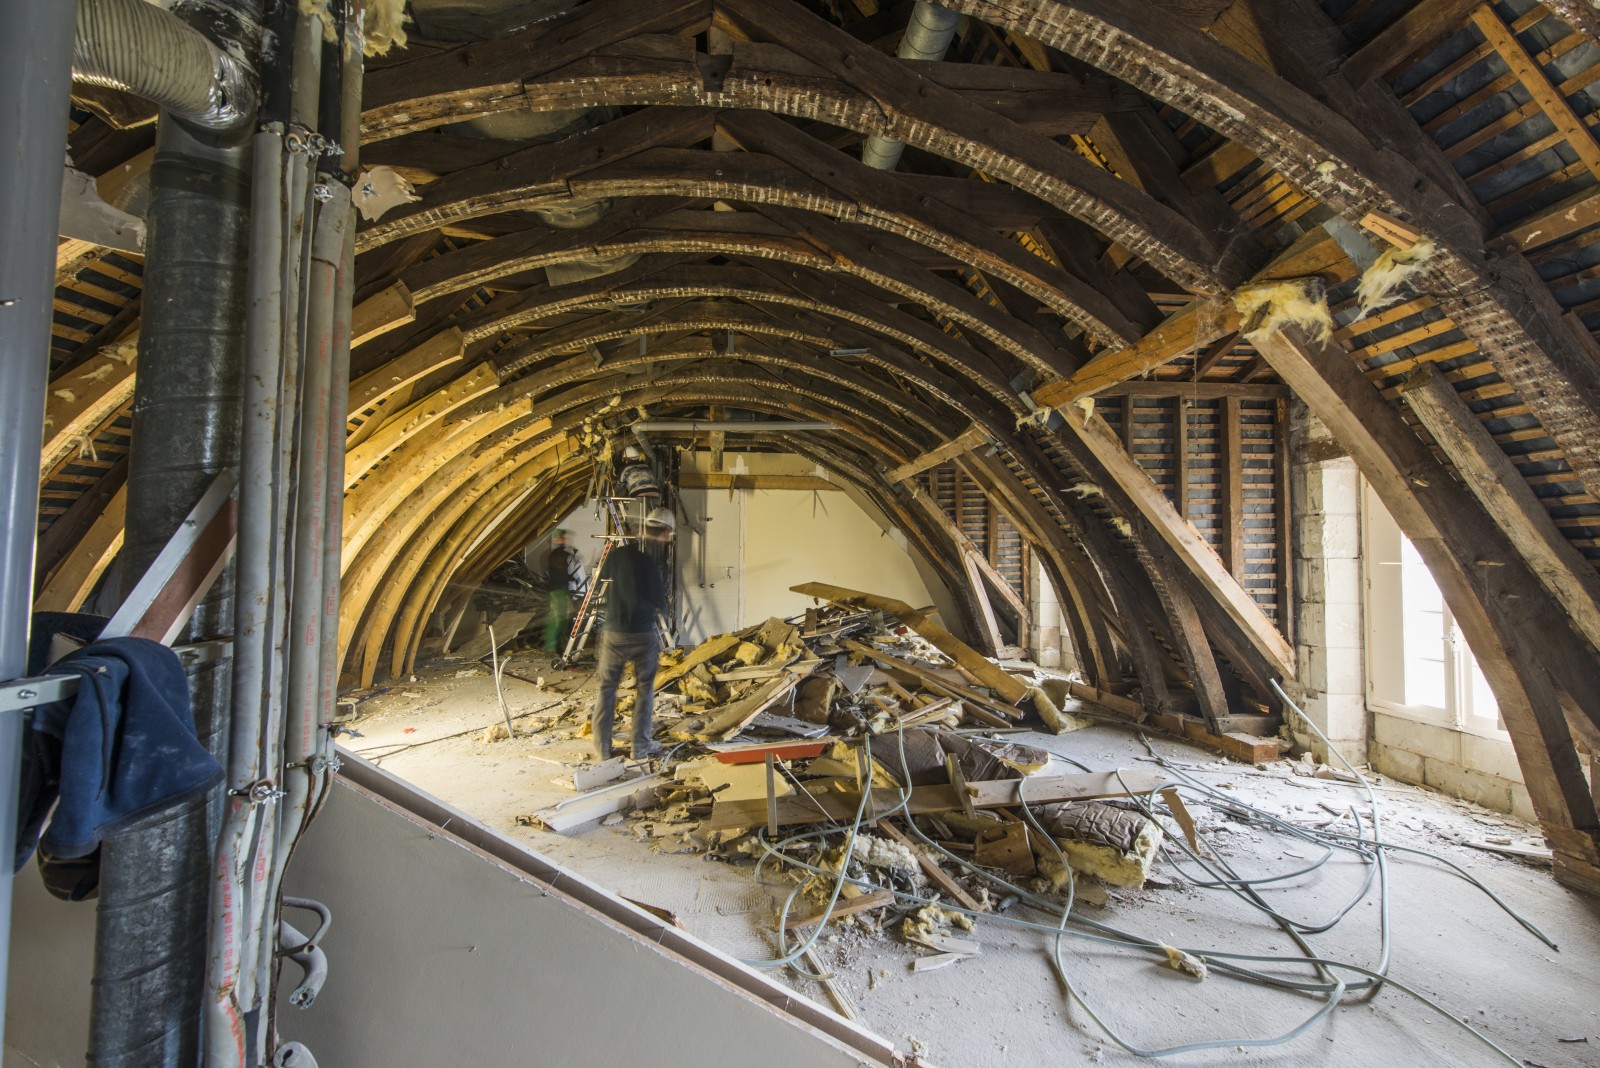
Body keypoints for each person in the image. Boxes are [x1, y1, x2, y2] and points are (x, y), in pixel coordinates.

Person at [590, 508, 674, 761]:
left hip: (614, 633)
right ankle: (640, 746)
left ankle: (602, 749)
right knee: (645, 689)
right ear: (663, 533)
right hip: (642, 634)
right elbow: (661, 601)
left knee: (607, 688)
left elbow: (601, 576)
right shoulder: (652, 562)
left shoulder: (617, 555)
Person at [544, 530, 586, 653]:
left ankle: (562, 643)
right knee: (557, 619)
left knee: (565, 618)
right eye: (562, 538)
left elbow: (563, 570)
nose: (564, 540)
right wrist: (572, 578)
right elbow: (558, 574)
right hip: (556, 591)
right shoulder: (555, 555)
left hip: (563, 590)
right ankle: (551, 645)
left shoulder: (561, 554)